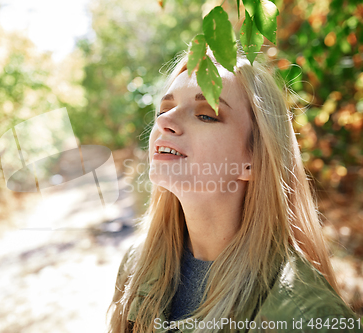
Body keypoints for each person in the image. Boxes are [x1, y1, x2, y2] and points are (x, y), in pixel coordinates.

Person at [107, 43, 362, 333]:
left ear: (253, 159)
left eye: (206, 114)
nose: (164, 120)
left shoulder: (306, 317)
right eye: (165, 108)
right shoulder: (137, 264)